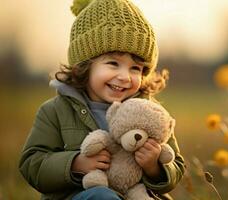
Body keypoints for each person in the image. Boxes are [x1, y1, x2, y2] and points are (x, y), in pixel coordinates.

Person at [18, 0, 185, 199]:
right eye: (114, 63)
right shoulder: (55, 111)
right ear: (84, 66)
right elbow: (32, 163)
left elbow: (177, 166)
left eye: (136, 68)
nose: (125, 76)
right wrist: (74, 164)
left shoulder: (150, 113)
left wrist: (154, 167)